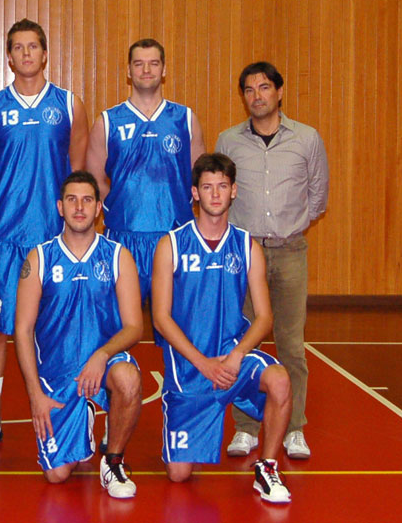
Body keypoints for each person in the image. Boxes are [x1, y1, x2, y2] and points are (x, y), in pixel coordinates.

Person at [0, 18, 89, 443]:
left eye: (33, 46)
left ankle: (67, 410)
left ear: (45, 54)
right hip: (6, 237)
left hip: (56, 237)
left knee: (60, 325)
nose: (26, 54)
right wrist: (6, 198)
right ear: (8, 57)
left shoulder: (69, 104)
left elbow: (77, 168)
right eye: (18, 47)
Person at [151, 153, 293, 504]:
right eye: (207, 187)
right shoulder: (171, 245)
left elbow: (264, 317)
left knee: (279, 380)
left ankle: (267, 468)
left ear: (234, 191)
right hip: (191, 369)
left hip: (233, 360)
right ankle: (199, 426)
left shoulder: (247, 246)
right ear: (194, 193)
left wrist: (236, 355)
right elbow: (160, 318)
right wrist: (204, 364)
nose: (215, 194)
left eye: (222, 186)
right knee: (179, 474)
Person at [216, 62, 328, 461]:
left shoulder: (307, 139)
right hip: (244, 254)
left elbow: (318, 197)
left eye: (264, 87)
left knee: (291, 345)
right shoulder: (228, 141)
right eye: (249, 89)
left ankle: (294, 427)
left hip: (290, 250)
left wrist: (288, 227)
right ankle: (246, 427)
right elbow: (220, 194)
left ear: (279, 92)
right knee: (244, 341)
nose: (257, 96)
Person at [14, 171, 143, 498]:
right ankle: (83, 414)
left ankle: (113, 461)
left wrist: (102, 354)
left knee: (128, 379)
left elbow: (134, 326)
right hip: (58, 373)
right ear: (60, 207)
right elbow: (23, 330)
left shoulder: (118, 256)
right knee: (56, 475)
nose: (79, 207)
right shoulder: (39, 258)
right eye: (72, 200)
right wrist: (34, 394)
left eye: (87, 200)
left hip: (105, 362)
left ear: (99, 207)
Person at [86, 38, 205, 305]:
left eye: (153, 63)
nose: (147, 70)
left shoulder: (185, 119)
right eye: (139, 64)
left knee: (176, 323)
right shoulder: (108, 121)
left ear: (164, 69)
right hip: (123, 236)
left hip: (175, 236)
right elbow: (95, 181)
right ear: (129, 71)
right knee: (120, 322)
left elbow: (200, 180)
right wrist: (119, 210)